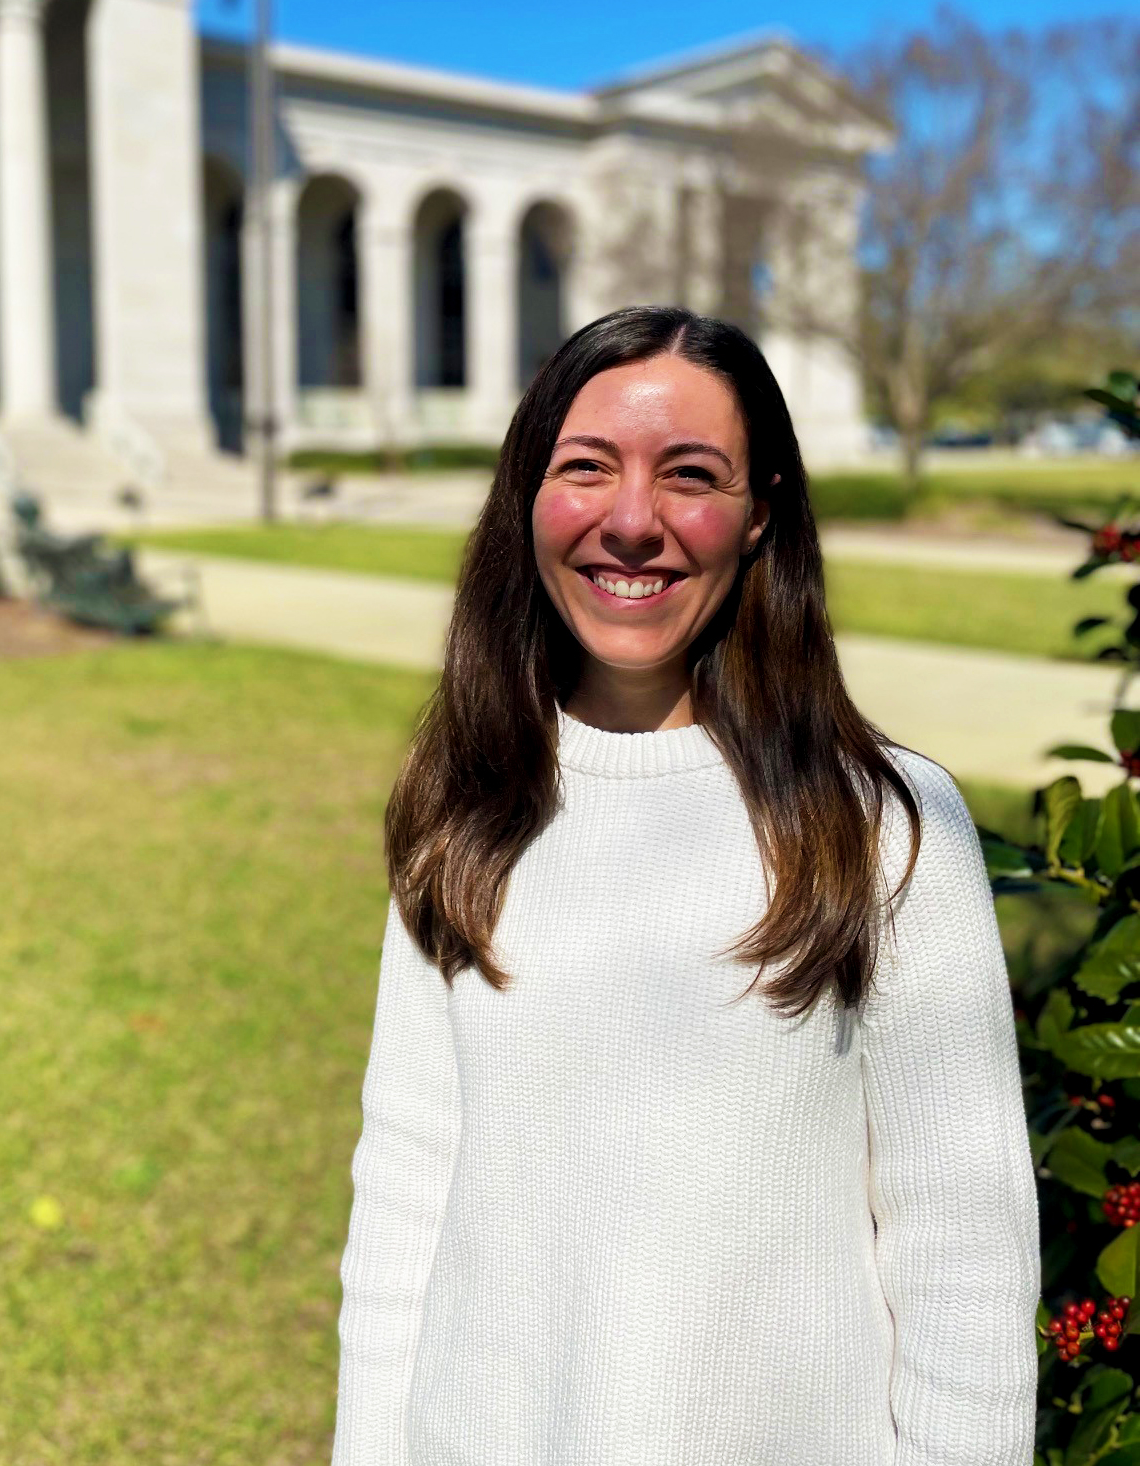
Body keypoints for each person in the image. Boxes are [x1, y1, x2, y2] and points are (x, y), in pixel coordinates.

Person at [329, 306, 1040, 1466]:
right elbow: (407, 1184)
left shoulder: (886, 827)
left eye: (691, 476)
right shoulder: (464, 801)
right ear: (528, 498)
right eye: (587, 468)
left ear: (761, 514)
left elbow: (963, 1250)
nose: (630, 522)